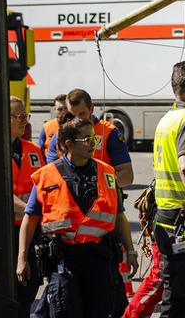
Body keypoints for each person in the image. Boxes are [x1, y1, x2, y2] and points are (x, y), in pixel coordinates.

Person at [17, 116, 139, 318]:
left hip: (100, 260)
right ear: (68, 144)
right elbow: (30, 220)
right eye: (86, 139)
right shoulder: (46, 175)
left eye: (94, 138)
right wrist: (22, 258)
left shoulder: (107, 173)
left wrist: (131, 251)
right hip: (65, 262)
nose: (92, 143)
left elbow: (119, 216)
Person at [126, 61, 185, 318]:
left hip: (165, 218)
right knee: (184, 301)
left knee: (172, 294)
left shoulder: (168, 118)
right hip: (183, 221)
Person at [47, 89, 133, 188]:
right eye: (73, 115)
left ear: (91, 108)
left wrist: (96, 185)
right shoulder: (60, 134)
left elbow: (127, 176)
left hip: (104, 200)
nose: (78, 119)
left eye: (82, 114)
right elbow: (51, 173)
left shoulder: (109, 133)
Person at [10, 96, 44, 316]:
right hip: (3, 230)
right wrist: (32, 209)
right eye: (18, 116)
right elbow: (0, 195)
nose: (24, 121)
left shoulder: (33, 149)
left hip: (30, 228)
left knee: (31, 284)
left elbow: (44, 187)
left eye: (26, 116)